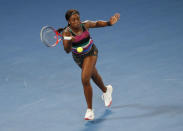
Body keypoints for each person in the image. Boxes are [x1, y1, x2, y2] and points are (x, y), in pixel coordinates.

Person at [57, 9, 120, 120]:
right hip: (78, 58)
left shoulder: (85, 25)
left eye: (78, 18)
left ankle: (89, 110)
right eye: (73, 19)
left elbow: (96, 23)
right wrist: (69, 41)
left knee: (85, 79)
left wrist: (109, 23)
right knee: (93, 75)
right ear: (69, 22)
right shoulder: (66, 33)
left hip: (91, 52)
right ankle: (106, 90)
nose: (76, 21)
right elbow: (67, 50)